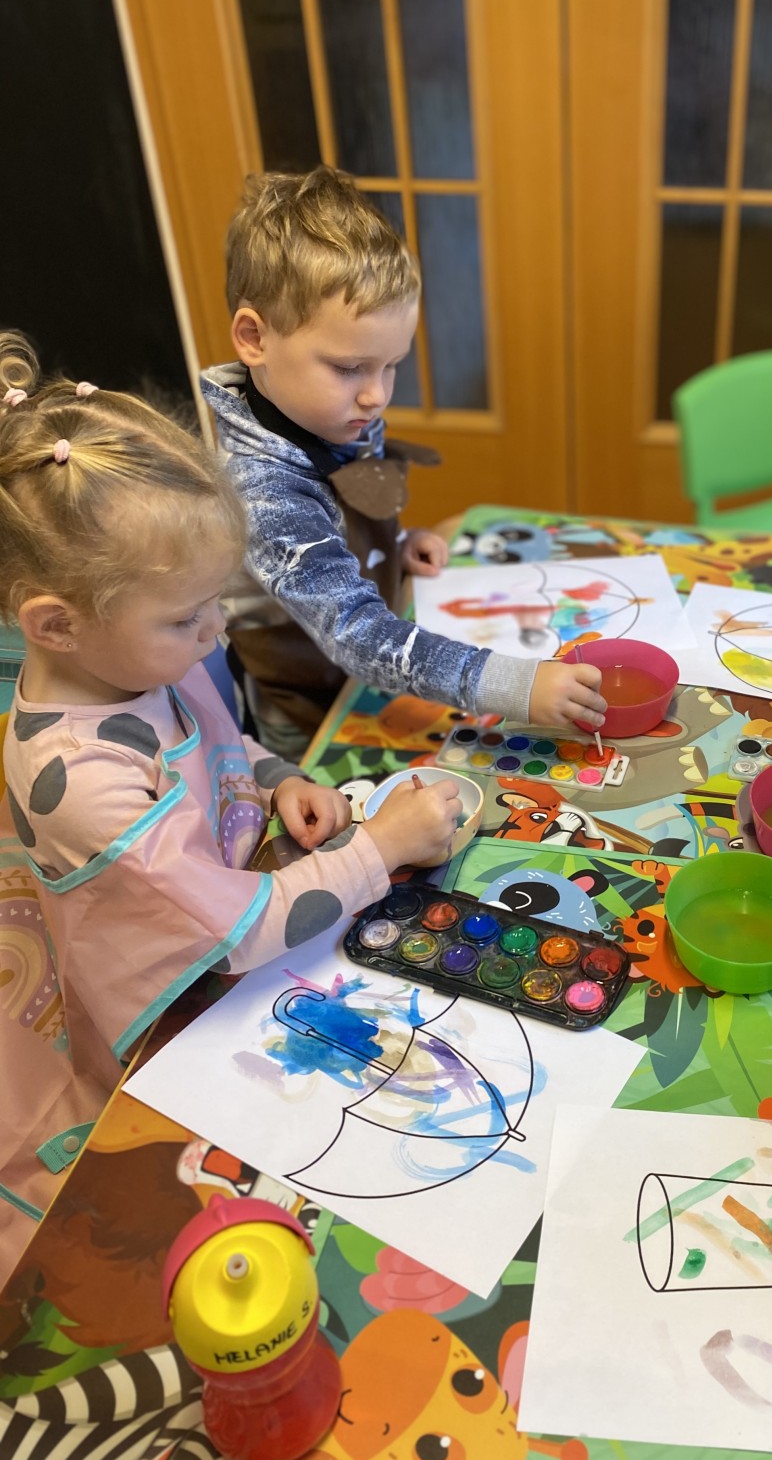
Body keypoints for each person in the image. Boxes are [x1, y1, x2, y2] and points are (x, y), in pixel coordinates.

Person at [0, 331, 459, 1280]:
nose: (216, 632)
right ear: (56, 624)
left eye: (216, 602)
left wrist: (276, 776)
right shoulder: (80, 778)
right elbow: (238, 935)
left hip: (236, 889)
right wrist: (380, 848)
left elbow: (216, 743)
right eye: (188, 616)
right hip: (176, 1003)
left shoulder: (129, 660)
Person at [201, 165, 604, 758]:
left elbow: (343, 512)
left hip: (372, 681)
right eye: (349, 368)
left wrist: (392, 545)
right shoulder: (261, 489)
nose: (377, 395)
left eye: (391, 365)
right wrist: (515, 685)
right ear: (254, 338)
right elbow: (358, 634)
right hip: (309, 710)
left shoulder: (327, 410)